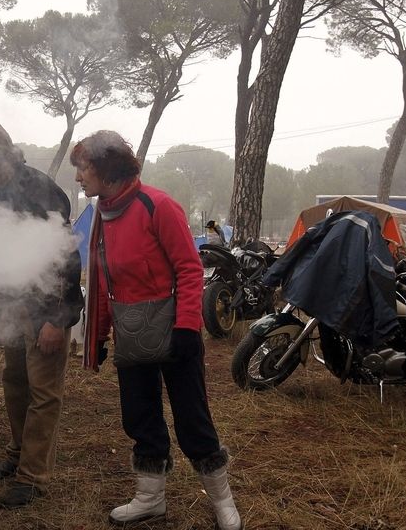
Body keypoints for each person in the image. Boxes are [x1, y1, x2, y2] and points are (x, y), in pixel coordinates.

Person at [73, 131, 242, 530]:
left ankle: (222, 502)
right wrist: (97, 334)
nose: (79, 177)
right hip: (131, 334)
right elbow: (102, 279)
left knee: (192, 418)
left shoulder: (158, 205)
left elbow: (188, 268)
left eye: (83, 168)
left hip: (173, 330)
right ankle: (151, 499)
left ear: (106, 167)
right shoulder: (103, 214)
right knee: (140, 415)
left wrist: (187, 328)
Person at [0, 122, 84, 509]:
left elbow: (65, 258)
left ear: (4, 159)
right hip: (15, 305)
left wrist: (57, 320)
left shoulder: (41, 190)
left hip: (47, 309)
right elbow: (2, 250)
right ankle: (17, 455)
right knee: (14, 382)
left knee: (43, 395)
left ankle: (33, 477)